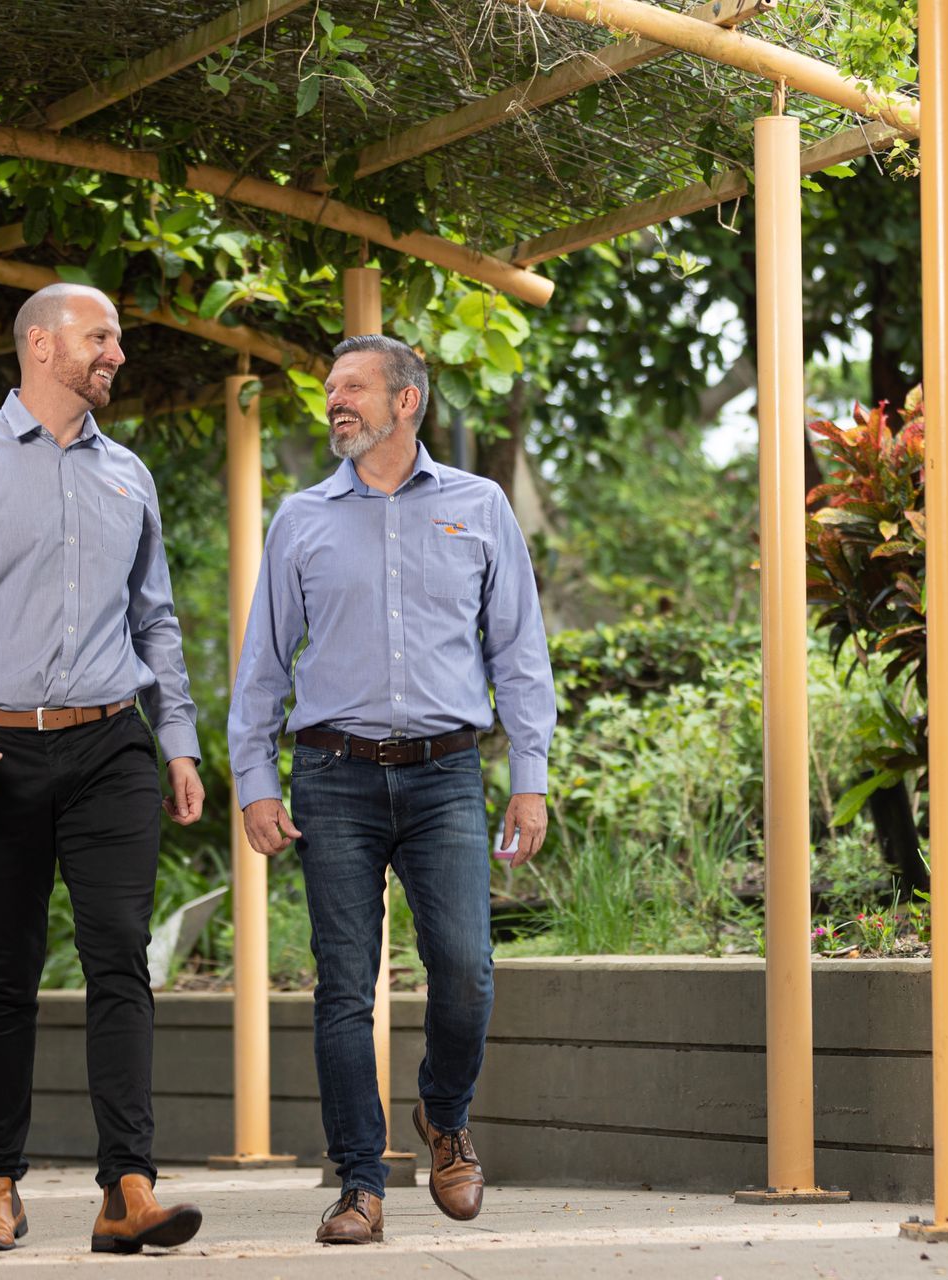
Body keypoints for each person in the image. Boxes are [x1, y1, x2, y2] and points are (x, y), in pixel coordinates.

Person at [0, 283, 207, 1256]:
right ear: (41, 345)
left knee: (121, 957)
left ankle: (128, 1188)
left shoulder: (129, 475)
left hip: (112, 744)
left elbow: (155, 618)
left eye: (116, 339)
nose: (117, 353)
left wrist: (178, 739)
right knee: (7, 968)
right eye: (100, 337)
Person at [228, 333, 555, 1245]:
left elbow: (518, 651)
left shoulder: (480, 506)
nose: (336, 401)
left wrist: (529, 779)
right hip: (331, 776)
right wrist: (255, 780)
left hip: (446, 773)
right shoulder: (300, 519)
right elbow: (263, 664)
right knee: (344, 986)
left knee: (466, 969)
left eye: (353, 388)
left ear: (406, 401)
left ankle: (443, 1116)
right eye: (332, 389)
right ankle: (360, 1184)